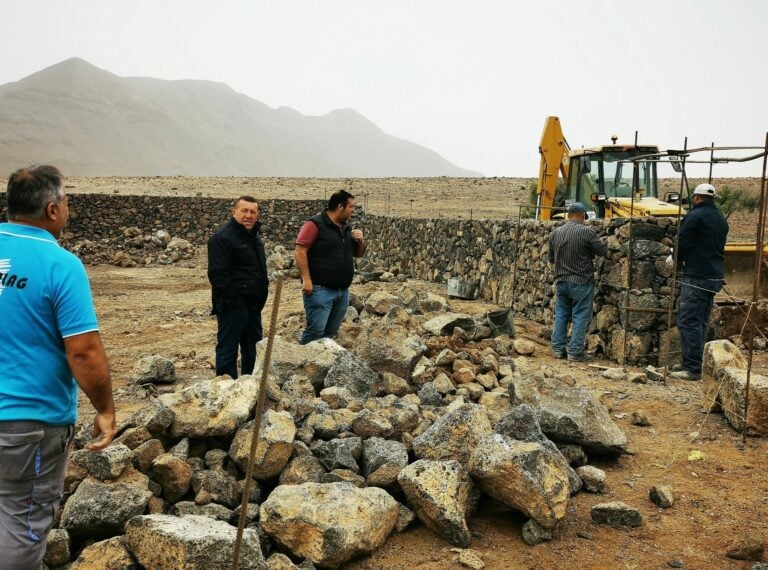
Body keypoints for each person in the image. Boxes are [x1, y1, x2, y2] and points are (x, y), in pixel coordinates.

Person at [0, 165, 116, 570]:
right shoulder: (60, 264)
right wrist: (105, 409)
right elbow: (83, 350)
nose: (68, 207)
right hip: (27, 424)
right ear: (52, 209)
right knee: (21, 522)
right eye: (66, 200)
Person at [671, 183, 729, 381]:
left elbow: (683, 241)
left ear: (696, 197)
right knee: (701, 320)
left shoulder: (695, 216)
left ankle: (692, 368)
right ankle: (695, 363)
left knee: (688, 320)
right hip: (714, 276)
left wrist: (675, 259)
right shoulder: (721, 219)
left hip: (698, 275)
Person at [207, 195, 269, 379]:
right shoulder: (222, 238)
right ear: (234, 212)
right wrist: (234, 301)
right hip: (233, 305)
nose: (248, 215)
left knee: (253, 349)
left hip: (253, 305)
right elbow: (218, 275)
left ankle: (249, 388)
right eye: (244, 210)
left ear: (257, 215)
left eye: (252, 212)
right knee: (228, 349)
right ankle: (227, 392)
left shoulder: (253, 238)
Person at [295, 190, 366, 344]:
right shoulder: (314, 225)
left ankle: (321, 365)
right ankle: (302, 363)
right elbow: (300, 251)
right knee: (315, 331)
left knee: (330, 333)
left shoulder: (346, 227)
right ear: (340, 207)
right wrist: (306, 279)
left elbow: (358, 254)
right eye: (351, 207)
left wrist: (360, 241)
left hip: (342, 292)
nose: (353, 210)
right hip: (320, 290)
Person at [548, 202, 607, 361]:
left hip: (561, 280)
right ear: (582, 215)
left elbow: (551, 259)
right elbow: (602, 251)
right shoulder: (587, 232)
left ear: (568, 215)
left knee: (561, 313)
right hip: (581, 281)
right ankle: (574, 352)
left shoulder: (556, 233)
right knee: (580, 316)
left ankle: (558, 350)